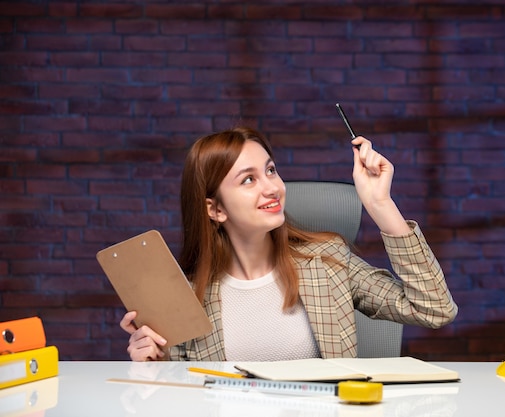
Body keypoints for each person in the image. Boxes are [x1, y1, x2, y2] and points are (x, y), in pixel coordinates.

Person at [120, 127, 458, 361]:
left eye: (270, 170)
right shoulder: (187, 297)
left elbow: (435, 308)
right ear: (216, 209)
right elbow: (181, 399)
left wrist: (381, 205)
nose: (272, 187)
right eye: (249, 179)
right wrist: (154, 365)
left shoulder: (327, 261)